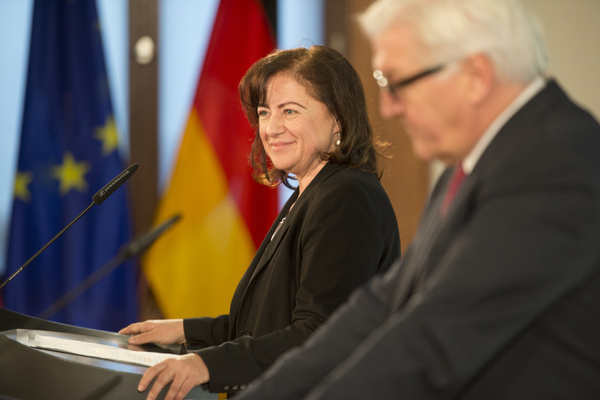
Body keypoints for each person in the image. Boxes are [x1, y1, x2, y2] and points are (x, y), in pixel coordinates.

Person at [235, 0, 600, 399]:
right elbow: (382, 306)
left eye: (398, 82)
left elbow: (435, 335)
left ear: (475, 76)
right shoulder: (472, 168)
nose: (389, 107)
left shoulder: (553, 163)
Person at [120, 45, 401, 399]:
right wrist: (185, 330)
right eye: (265, 112)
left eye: (290, 111)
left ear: (338, 119)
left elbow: (320, 334)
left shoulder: (345, 196)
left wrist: (207, 364)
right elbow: (266, 323)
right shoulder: (313, 192)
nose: (271, 128)